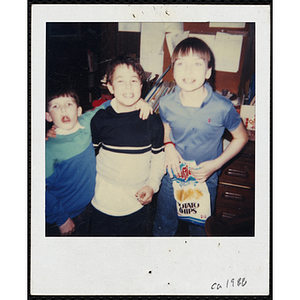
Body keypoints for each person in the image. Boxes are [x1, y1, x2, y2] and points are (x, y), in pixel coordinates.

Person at [152, 37, 249, 236]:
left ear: (208, 72)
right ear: (174, 70)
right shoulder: (166, 102)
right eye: (181, 64)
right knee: (164, 224)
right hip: (173, 174)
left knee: (200, 230)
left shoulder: (223, 107)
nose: (188, 72)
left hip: (205, 177)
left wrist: (216, 165)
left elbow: (241, 138)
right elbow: (166, 125)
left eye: (197, 64)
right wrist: (168, 145)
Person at [45, 85, 152, 236]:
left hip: (89, 206)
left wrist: (139, 102)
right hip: (64, 216)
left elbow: (108, 104)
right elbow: (39, 190)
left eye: (69, 104)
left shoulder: (87, 121)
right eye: (56, 106)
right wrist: (61, 218)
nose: (63, 110)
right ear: (48, 116)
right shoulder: (48, 148)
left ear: (79, 111)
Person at [89, 56, 165, 236]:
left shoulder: (152, 121)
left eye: (134, 80)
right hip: (103, 202)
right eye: (120, 81)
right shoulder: (100, 119)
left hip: (137, 204)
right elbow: (90, 154)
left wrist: (152, 186)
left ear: (141, 85)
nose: (128, 87)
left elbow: (158, 159)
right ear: (110, 87)